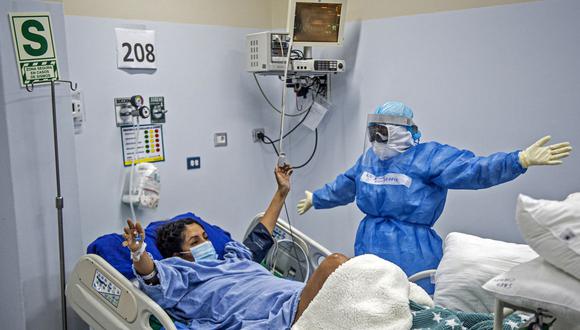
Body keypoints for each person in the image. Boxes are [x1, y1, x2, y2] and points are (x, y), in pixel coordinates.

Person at [296, 100, 573, 292]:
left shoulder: (429, 158)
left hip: (413, 251)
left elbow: (473, 170)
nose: (376, 141)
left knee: (414, 309)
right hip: (369, 246)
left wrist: (519, 160)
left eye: (383, 133)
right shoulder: (369, 159)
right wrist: (317, 198)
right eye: (373, 133)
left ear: (403, 132)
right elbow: (346, 184)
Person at [123, 164, 349, 329]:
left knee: (358, 278)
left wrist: (282, 192)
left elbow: (260, 235)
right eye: (195, 242)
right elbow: (152, 275)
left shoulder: (233, 259)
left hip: (297, 297)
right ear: (177, 255)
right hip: (282, 317)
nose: (206, 243)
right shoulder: (182, 275)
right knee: (335, 264)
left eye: (204, 237)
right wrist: (138, 251)